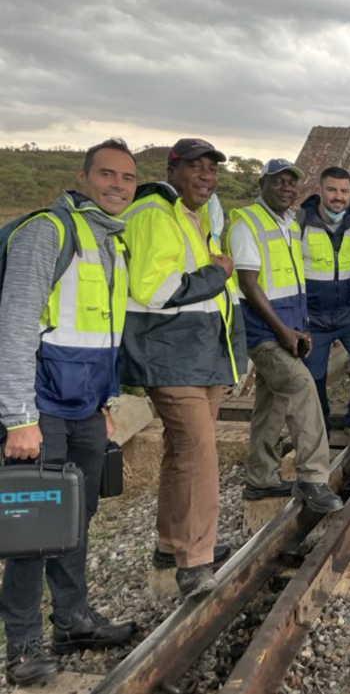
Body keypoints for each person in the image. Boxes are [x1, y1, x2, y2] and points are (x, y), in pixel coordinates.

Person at [0, 139, 139, 686]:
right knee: (34, 529)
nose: (118, 185)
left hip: (84, 407)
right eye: (107, 174)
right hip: (41, 407)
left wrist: (106, 403)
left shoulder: (110, 242)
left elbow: (105, 333)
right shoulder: (48, 232)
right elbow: (14, 325)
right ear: (83, 176)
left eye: (127, 178)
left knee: (75, 521)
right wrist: (18, 417)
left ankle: (73, 620)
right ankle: (23, 644)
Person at [121, 138, 245, 598]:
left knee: (181, 449)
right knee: (199, 451)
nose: (206, 176)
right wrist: (218, 272)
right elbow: (157, 289)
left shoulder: (190, 217)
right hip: (170, 353)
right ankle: (195, 561)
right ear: (172, 170)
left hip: (198, 354)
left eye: (212, 168)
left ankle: (171, 543)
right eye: (195, 167)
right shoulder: (156, 214)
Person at [227, 159, 343, 514]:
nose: (286, 188)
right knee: (302, 390)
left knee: (271, 402)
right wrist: (282, 331)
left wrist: (300, 326)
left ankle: (260, 478)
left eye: (291, 183)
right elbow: (249, 283)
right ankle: (312, 478)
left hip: (288, 328)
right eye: (278, 182)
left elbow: (291, 281)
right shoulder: (247, 223)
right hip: (264, 332)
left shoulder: (291, 224)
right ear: (262, 183)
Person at [298, 167, 350, 447]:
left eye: (344, 191)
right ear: (320, 190)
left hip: (348, 312)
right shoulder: (299, 223)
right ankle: (319, 427)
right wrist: (298, 315)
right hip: (312, 317)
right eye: (332, 190)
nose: (338, 197)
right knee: (313, 375)